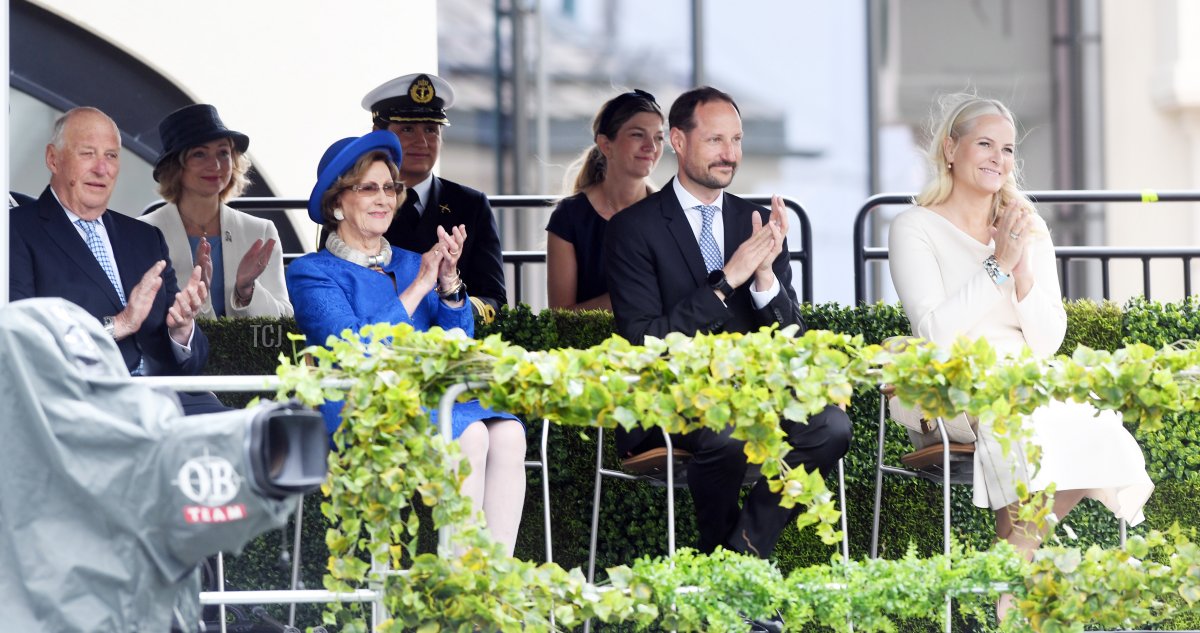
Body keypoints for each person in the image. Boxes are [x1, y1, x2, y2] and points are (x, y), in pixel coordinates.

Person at [887, 94, 1154, 620]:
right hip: (949, 381)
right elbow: (936, 333)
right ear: (951, 149)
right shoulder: (913, 227)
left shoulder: (1026, 224)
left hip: (1026, 374)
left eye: (1007, 149)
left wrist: (1024, 272)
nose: (998, 159)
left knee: (1093, 421)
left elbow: (1049, 339)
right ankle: (1010, 582)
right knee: (1025, 421)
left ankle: (1008, 575)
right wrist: (997, 268)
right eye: (984, 144)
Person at [605, 87, 851, 631]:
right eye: (715, 138)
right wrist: (729, 280)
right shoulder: (632, 229)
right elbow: (648, 340)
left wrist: (764, 281)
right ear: (678, 140)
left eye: (736, 139)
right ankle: (740, 589)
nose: (730, 152)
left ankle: (735, 569)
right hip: (672, 399)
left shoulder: (753, 218)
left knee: (831, 426)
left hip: (758, 395)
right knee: (728, 436)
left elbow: (791, 336)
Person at [287, 131, 526, 555]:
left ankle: (494, 586)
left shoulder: (413, 260)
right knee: (470, 435)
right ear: (337, 202)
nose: (383, 198)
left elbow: (458, 345)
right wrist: (419, 287)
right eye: (368, 188)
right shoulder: (312, 272)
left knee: (508, 432)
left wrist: (451, 285)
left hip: (432, 402)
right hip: (362, 408)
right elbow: (353, 351)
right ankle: (461, 590)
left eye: (389, 188)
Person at [8, 106, 223, 415]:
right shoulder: (17, 231)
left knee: (262, 439)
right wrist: (119, 324)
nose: (101, 169)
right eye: (87, 154)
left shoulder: (146, 237)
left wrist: (182, 331)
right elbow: (21, 345)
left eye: (111, 156)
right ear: (53, 159)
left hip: (169, 404)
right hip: (83, 405)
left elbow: (192, 361)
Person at [328, 72, 508, 318]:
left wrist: (451, 307)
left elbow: (494, 298)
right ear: (377, 133)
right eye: (408, 129)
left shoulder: (471, 205)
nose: (422, 141)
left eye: (431, 130)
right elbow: (334, 284)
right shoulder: (354, 202)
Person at [141, 104, 292, 319]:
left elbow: (283, 321)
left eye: (223, 153)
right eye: (199, 154)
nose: (215, 165)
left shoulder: (260, 230)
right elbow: (143, 320)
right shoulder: (144, 232)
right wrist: (196, 294)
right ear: (176, 166)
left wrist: (247, 290)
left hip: (246, 353)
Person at [546, 89, 664, 310]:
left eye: (658, 137)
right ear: (606, 145)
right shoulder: (569, 216)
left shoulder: (670, 212)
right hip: (589, 345)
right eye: (638, 134)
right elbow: (559, 316)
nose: (652, 146)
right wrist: (627, 296)